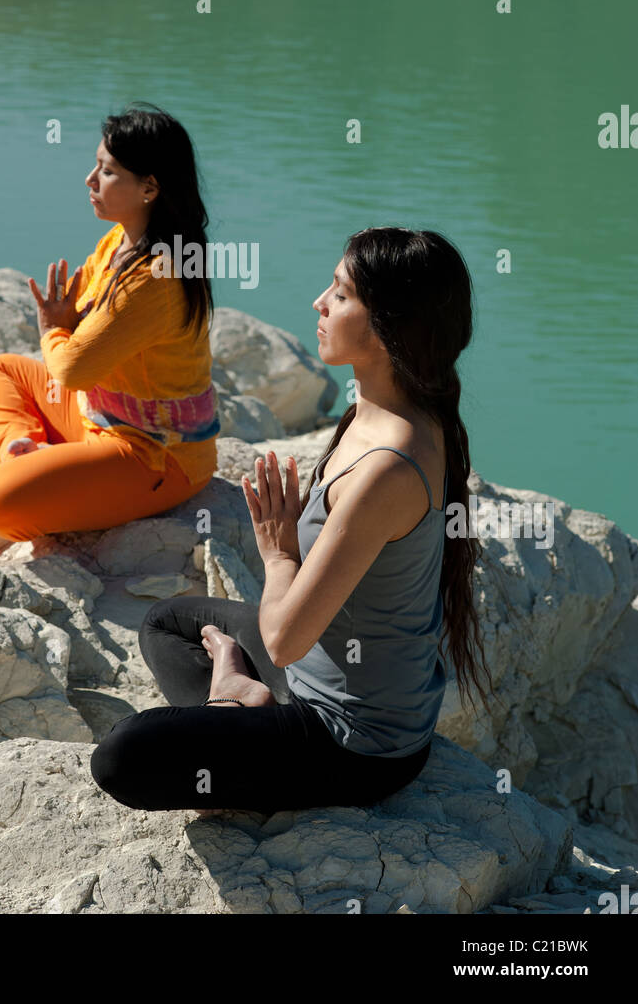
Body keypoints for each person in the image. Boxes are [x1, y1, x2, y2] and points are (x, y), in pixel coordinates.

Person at [90, 226, 496, 815]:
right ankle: (240, 701)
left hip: (353, 744)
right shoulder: (382, 409)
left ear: (387, 326)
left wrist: (279, 555)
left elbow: (282, 641)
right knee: (167, 621)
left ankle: (233, 707)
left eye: (341, 293)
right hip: (310, 674)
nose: (319, 303)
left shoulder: (391, 467)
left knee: (123, 755)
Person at [0, 104, 219, 550]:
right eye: (96, 166)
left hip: (153, 455)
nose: (89, 179)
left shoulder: (157, 277)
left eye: (106, 171)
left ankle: (42, 466)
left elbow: (72, 370)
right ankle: (23, 449)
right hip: (97, 417)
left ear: (149, 187)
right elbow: (83, 331)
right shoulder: (119, 242)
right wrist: (66, 327)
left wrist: (51, 328)